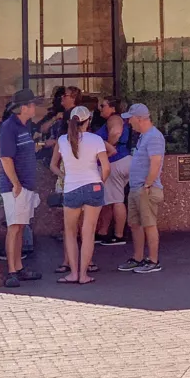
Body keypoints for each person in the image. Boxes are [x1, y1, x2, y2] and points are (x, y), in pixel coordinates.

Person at [53, 106, 110, 285]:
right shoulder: (96, 139)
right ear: (88, 121)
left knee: (70, 233)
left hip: (71, 188)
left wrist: (65, 177)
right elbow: (106, 167)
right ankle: (84, 275)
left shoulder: (63, 140)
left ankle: (73, 273)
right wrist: (100, 182)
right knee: (88, 233)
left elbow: (53, 165)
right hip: (93, 186)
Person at [0, 87, 43, 288]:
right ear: (23, 108)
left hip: (25, 186)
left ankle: (18, 267)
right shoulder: (9, 127)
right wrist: (16, 183)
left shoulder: (23, 127)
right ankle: (12, 271)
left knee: (21, 226)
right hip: (15, 187)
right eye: (32, 104)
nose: (35, 108)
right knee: (14, 227)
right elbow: (6, 158)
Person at [118, 104, 166, 274]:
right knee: (135, 224)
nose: (129, 122)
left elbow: (156, 162)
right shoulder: (144, 137)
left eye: (130, 119)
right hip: (137, 187)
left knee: (149, 224)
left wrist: (148, 184)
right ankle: (138, 258)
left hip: (146, 189)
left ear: (139, 119)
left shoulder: (154, 137)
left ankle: (153, 260)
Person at [94, 96, 132, 245]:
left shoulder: (114, 119)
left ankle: (119, 235)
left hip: (116, 162)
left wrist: (107, 148)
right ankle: (103, 232)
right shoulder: (115, 119)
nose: (100, 109)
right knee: (109, 198)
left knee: (116, 199)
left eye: (102, 106)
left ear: (112, 108)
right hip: (120, 160)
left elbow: (116, 132)